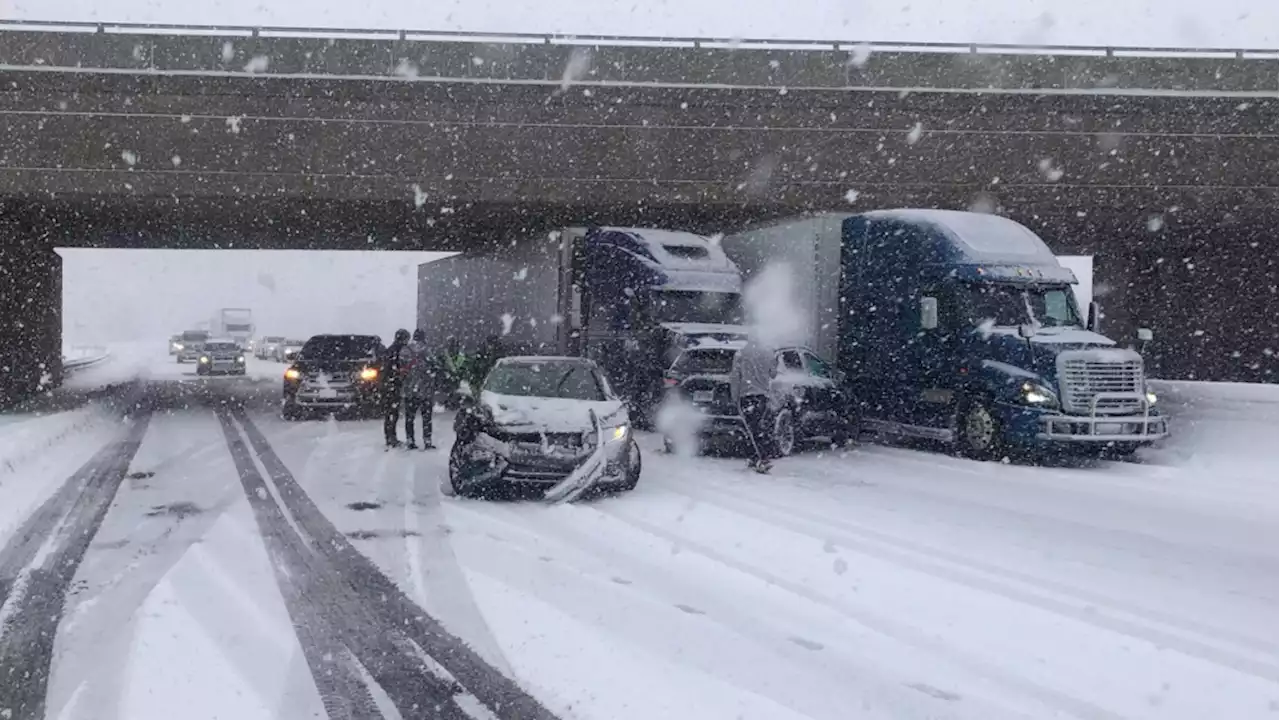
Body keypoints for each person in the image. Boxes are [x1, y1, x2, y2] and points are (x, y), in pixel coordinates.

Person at [730, 335, 779, 473]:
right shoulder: (768, 353)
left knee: (751, 428)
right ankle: (756, 457)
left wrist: (735, 397)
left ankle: (759, 458)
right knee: (758, 427)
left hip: (746, 395)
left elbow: (735, 376)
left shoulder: (741, 353)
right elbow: (773, 374)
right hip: (762, 396)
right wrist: (775, 363)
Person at [400, 329, 442, 450]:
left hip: (410, 390)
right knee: (427, 418)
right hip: (425, 390)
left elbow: (401, 368)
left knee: (410, 418)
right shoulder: (428, 350)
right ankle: (427, 441)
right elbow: (436, 366)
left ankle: (410, 440)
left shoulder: (405, 350)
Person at [381, 328, 411, 448]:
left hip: (388, 385)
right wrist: (401, 374)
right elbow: (395, 368)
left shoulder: (391, 350)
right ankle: (391, 438)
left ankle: (390, 437)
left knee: (390, 413)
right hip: (393, 385)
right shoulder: (397, 351)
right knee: (392, 413)